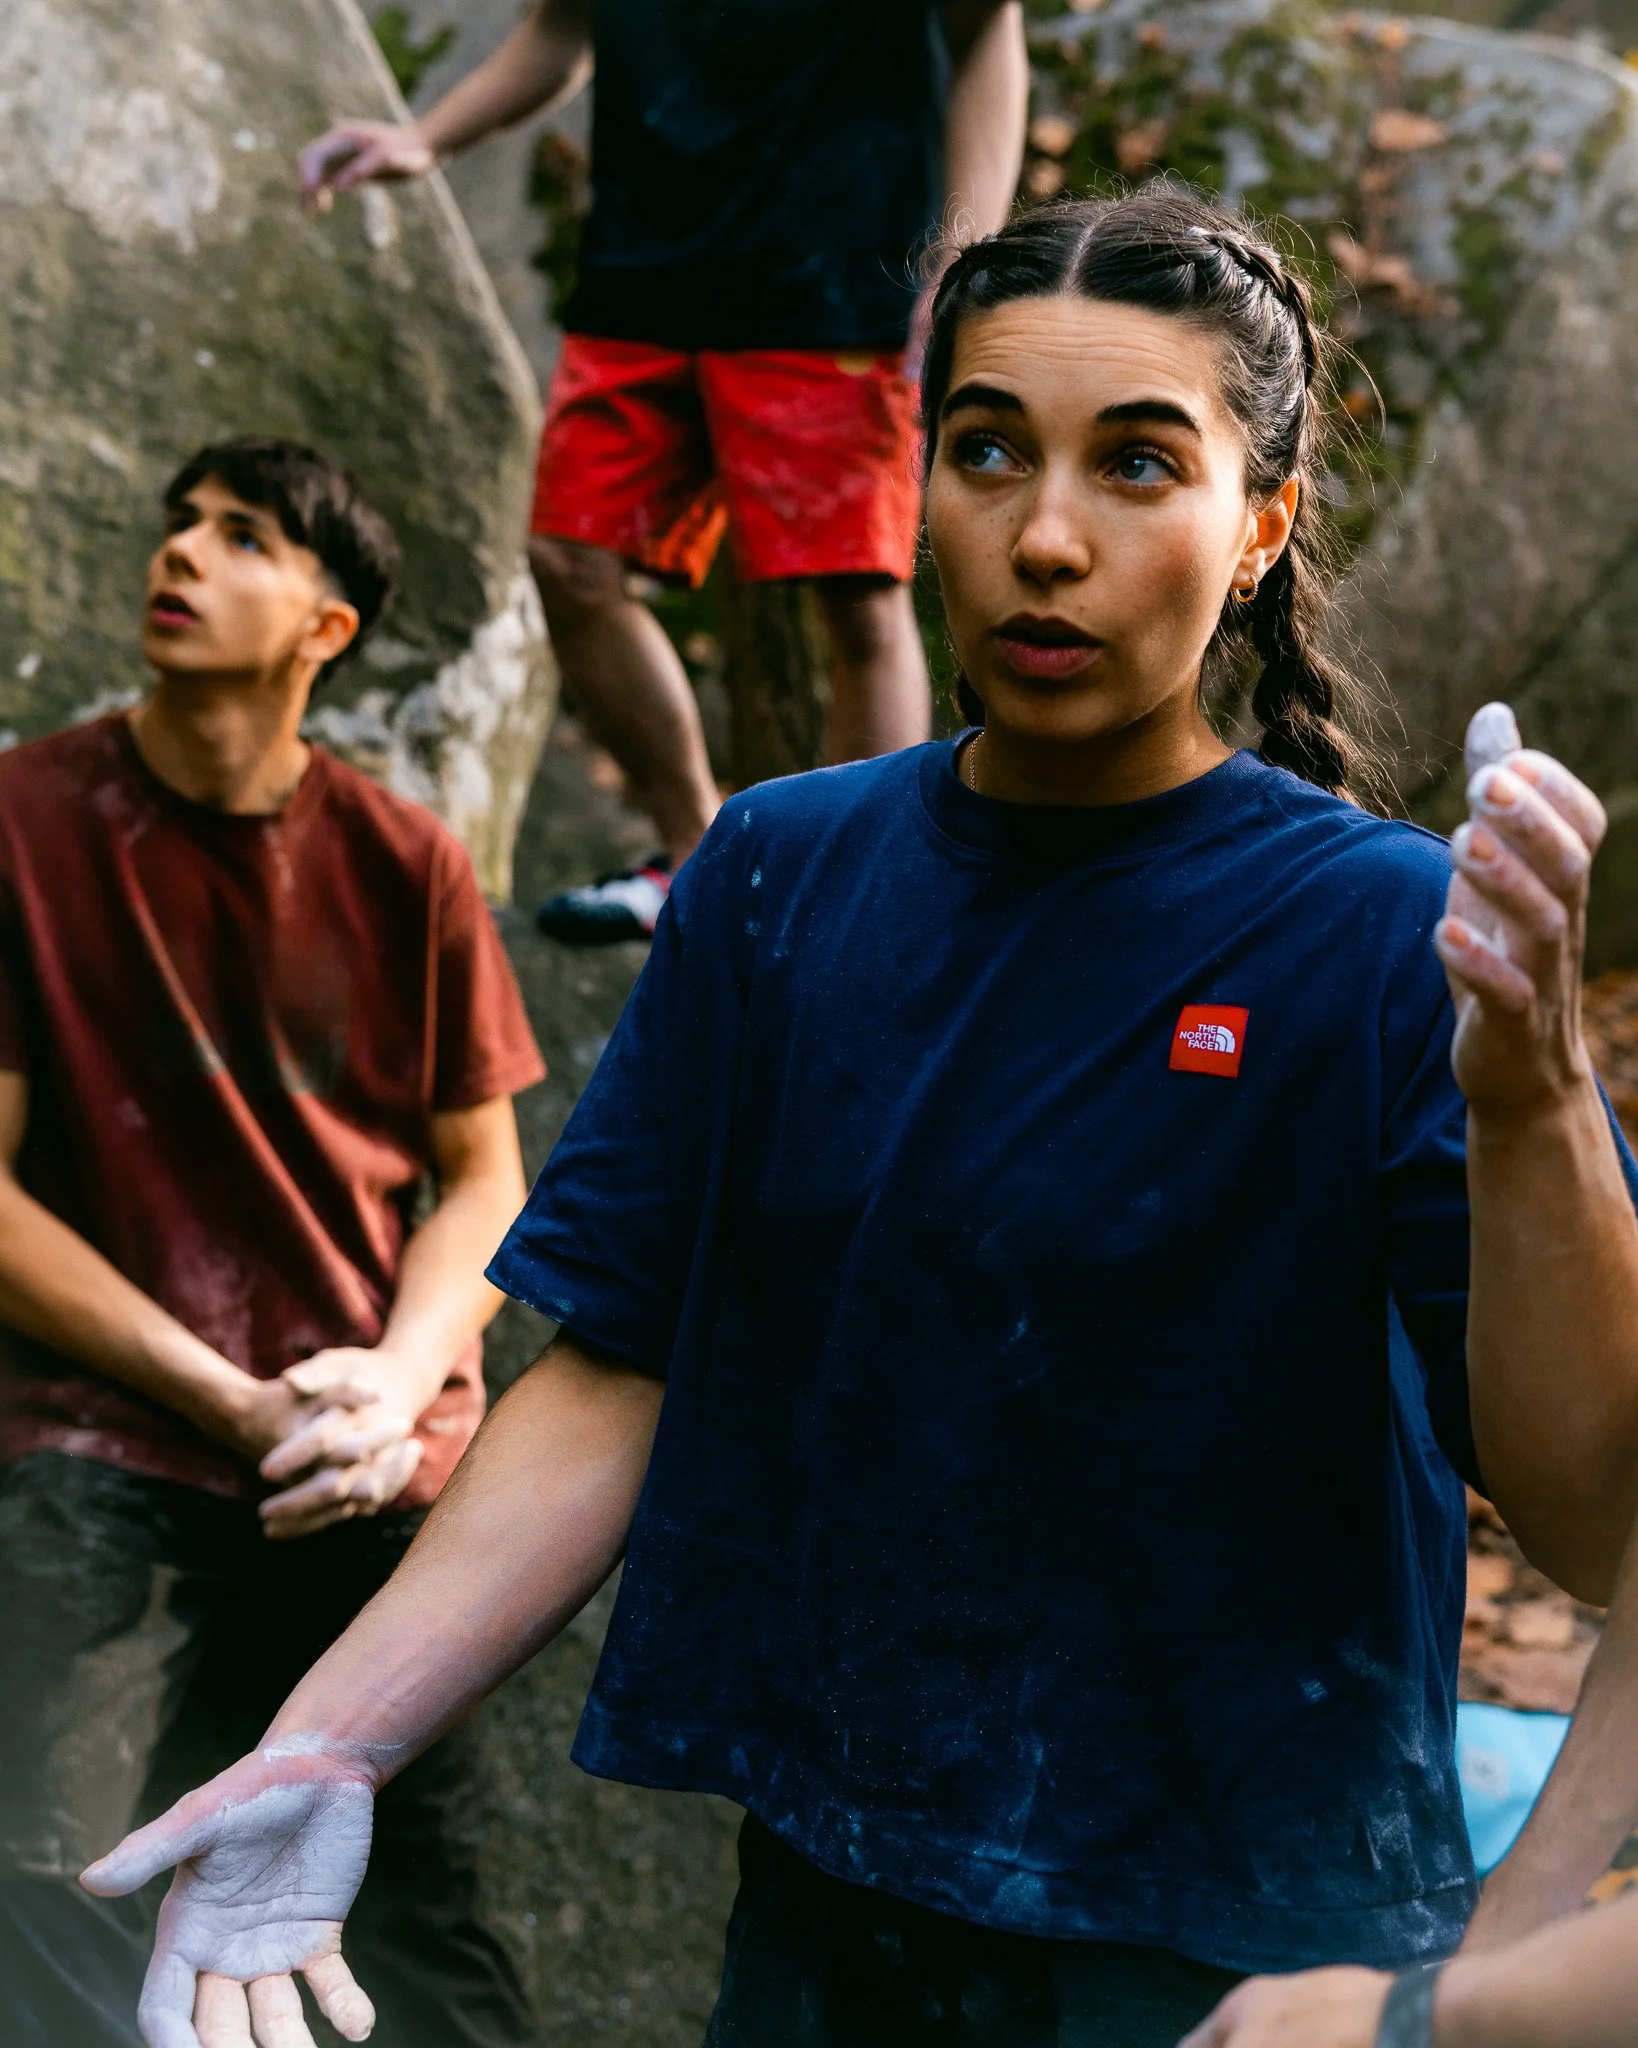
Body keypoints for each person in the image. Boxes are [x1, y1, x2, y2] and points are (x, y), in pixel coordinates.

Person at [84, 189, 1638, 2048]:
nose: (1042, 537)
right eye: (986, 450)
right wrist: (331, 1735)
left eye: (1138, 466)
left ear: (1260, 530)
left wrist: (1532, 1097)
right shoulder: (777, 867)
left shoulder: (1380, 930)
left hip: (1246, 1953)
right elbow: (621, 1363)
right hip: (833, 1916)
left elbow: (1597, 1508)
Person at [0, 439, 546, 2048]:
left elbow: (482, 1179)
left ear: (325, 627)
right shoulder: (25, 820)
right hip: (110, 1436)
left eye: (241, 537)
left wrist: (394, 1377)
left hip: (365, 1457)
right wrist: (221, 1398)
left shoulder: (409, 862)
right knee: (50, 1868)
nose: (183, 552)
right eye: (180, 524)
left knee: (426, 1928)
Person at [299, 0, 1029, 943]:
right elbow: (560, 39)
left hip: (838, 286)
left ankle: (865, 897)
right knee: (569, 564)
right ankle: (694, 852)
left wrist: (963, 254)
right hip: (640, 283)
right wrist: (422, 139)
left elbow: (983, 36)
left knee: (855, 594)